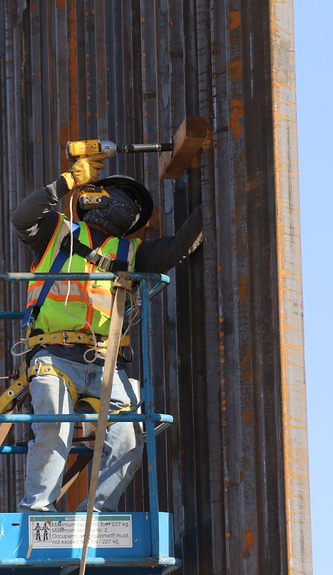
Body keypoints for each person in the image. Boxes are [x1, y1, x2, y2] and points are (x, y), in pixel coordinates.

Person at [11, 155, 204, 512]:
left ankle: (96, 512)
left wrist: (212, 198)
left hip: (105, 363)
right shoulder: (56, 231)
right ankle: (36, 509)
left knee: (129, 433)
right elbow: (22, 216)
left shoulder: (132, 253)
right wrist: (64, 183)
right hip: (53, 355)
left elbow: (179, 247)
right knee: (55, 423)